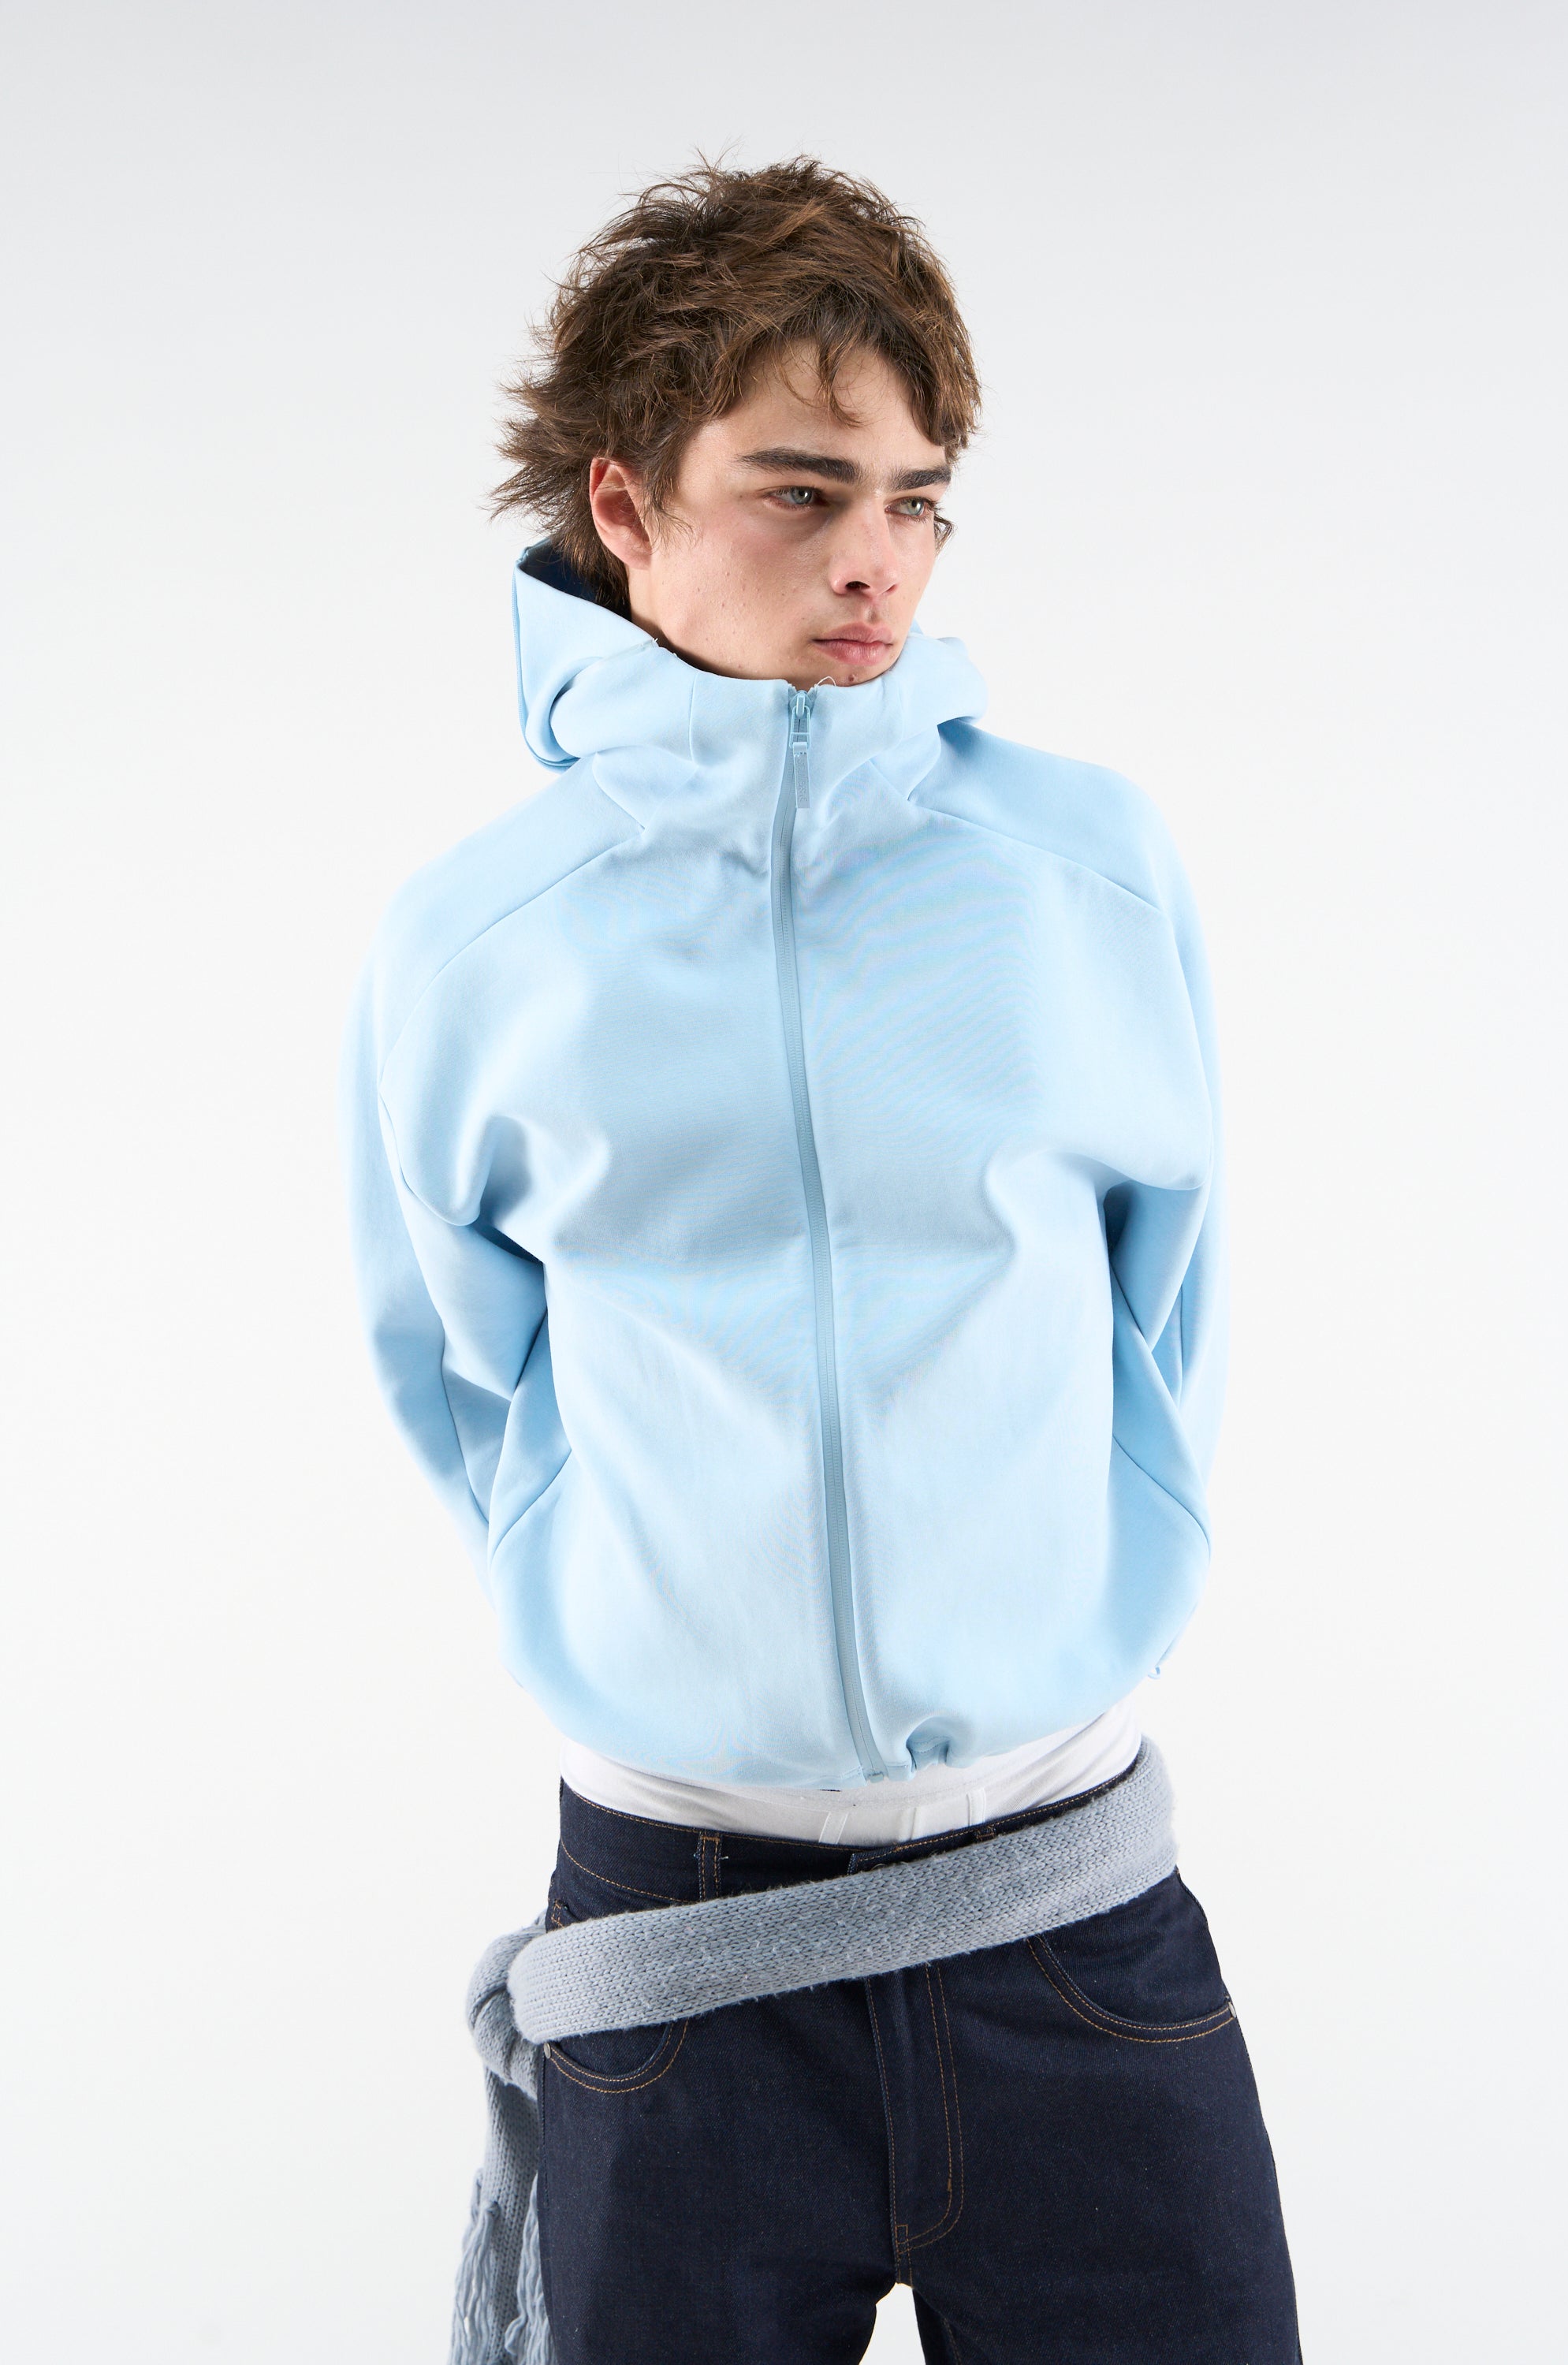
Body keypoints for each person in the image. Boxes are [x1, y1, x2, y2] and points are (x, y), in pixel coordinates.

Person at [341, 158, 1300, 2363]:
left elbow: (1168, 1293)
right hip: (679, 1944)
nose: (877, 558)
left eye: (917, 500)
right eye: (802, 490)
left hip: (1069, 1913)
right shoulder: (477, 945)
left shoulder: (1079, 870)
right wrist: (626, 1609)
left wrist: (1102, 1563)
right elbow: (459, 1366)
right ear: (626, 503)